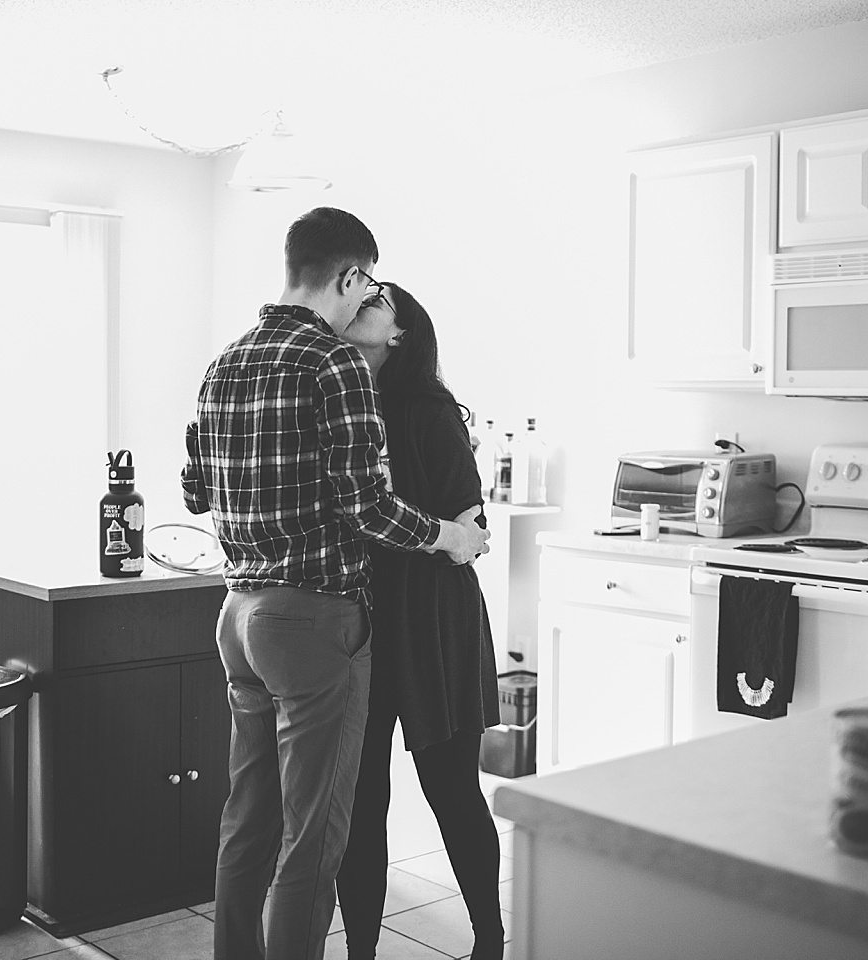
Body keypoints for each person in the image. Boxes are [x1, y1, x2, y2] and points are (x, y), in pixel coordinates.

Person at [181, 206, 490, 960]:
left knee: (249, 818)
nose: (369, 300)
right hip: (312, 620)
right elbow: (366, 506)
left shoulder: (226, 359)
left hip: (237, 615)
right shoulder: (334, 364)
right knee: (316, 833)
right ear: (349, 277)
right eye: (368, 285)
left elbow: (196, 489)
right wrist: (451, 535)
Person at [335, 282, 506, 960]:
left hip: (435, 618)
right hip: (363, 616)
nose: (357, 308)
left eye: (374, 305)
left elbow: (471, 520)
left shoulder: (429, 410)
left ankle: (489, 940)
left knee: (451, 789)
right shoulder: (337, 402)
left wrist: (459, 529)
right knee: (360, 798)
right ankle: (360, 953)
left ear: (399, 335)